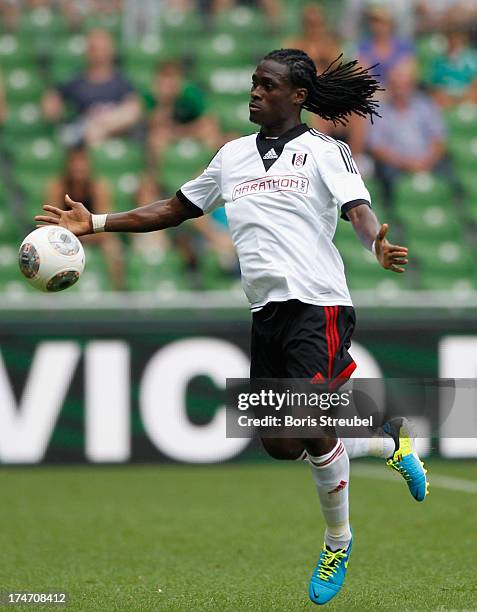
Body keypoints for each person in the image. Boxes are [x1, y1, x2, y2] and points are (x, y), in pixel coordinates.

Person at [36, 49, 429, 606]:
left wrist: (377, 244)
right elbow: (175, 209)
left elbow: (359, 210)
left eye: (266, 86)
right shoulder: (232, 156)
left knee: (310, 420)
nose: (254, 92)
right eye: (252, 83)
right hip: (266, 313)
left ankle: (338, 539)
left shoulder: (325, 150)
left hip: (317, 306)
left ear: (297, 96)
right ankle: (388, 440)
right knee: (280, 444)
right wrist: (96, 222)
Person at [369, 60, 462, 207]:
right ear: (390, 86)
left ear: (412, 85)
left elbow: (439, 138)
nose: (400, 88)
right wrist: (406, 163)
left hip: (428, 160)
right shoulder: (379, 111)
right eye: (396, 84)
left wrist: (426, 161)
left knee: (451, 174)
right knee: (385, 176)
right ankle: (397, 219)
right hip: (397, 164)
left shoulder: (426, 105)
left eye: (404, 84)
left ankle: (454, 214)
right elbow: (377, 147)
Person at [42, 29, 142, 147]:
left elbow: (133, 111)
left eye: (103, 49)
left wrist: (103, 122)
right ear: (88, 52)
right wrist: (53, 104)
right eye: (95, 49)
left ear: (112, 51)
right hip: (84, 136)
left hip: (116, 134)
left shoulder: (122, 82)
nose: (99, 54)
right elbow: (52, 101)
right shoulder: (77, 82)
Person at [46, 146, 125, 290]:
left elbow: (106, 223)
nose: (78, 166)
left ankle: (118, 291)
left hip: (93, 235)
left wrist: (85, 232)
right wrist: (69, 235)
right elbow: (50, 222)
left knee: (113, 247)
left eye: (82, 162)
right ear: (67, 165)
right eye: (74, 162)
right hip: (63, 237)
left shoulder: (98, 187)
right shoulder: (57, 186)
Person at [425, 26, 477, 108]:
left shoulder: (472, 58)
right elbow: (433, 86)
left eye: (457, 38)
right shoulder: (437, 61)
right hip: (445, 101)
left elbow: (474, 83)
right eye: (451, 38)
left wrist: (465, 97)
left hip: (467, 101)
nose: (454, 42)